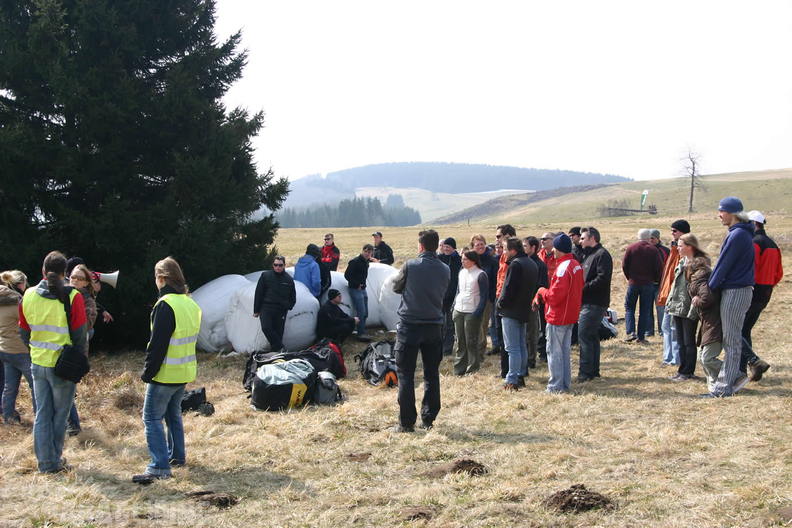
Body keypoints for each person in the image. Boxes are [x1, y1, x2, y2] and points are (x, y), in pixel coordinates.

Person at [133, 257, 201, 483]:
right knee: (173, 415)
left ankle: (159, 466)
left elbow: (157, 344)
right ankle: (176, 457)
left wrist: (147, 372)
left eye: (155, 277)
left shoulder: (165, 305)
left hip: (165, 374)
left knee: (151, 418)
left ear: (161, 278)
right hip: (184, 372)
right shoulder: (191, 303)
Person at [19, 251, 87, 473]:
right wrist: (80, 362)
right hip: (63, 366)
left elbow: (24, 333)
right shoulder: (73, 296)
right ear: (65, 274)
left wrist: (36, 350)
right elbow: (79, 335)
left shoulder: (27, 295)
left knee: (42, 414)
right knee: (60, 416)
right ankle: (54, 461)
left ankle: (45, 462)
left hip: (37, 364)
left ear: (42, 271)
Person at [390, 229, 450, 432]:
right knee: (431, 374)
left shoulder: (410, 265)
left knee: (405, 374)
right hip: (434, 325)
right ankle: (428, 418)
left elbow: (396, 287)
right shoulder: (445, 269)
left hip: (410, 325)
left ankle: (406, 423)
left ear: (421, 246)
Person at [704, 197, 755, 398]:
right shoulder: (739, 233)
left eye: (722, 211)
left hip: (736, 291)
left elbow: (723, 265)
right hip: (736, 289)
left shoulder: (738, 235)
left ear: (732, 213)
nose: (719, 214)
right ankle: (734, 377)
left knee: (732, 340)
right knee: (730, 338)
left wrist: (711, 287)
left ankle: (724, 388)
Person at [533, 234, 583, 394]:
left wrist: (541, 291)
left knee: (554, 351)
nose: (552, 250)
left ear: (559, 249)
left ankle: (555, 386)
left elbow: (555, 296)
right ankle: (564, 383)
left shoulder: (563, 268)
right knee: (564, 351)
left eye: (555, 247)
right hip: (570, 315)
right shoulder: (575, 264)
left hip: (558, 316)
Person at [741, 210, 783, 381]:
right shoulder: (773, 244)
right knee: (745, 330)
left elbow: (750, 269)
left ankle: (752, 363)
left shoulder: (754, 243)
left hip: (752, 290)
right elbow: (779, 273)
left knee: (738, 330)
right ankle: (751, 366)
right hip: (766, 292)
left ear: (753, 224)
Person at [497, 237, 538, 390]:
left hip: (511, 311)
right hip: (523, 310)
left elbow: (509, 289)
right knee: (521, 345)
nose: (504, 252)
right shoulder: (531, 263)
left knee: (512, 348)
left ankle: (512, 379)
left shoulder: (516, 264)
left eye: (506, 249)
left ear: (513, 250)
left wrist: (500, 303)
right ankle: (520, 375)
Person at [65, 264, 98, 436]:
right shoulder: (63, 296)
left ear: (86, 283)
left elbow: (85, 326)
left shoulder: (88, 301)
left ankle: (73, 426)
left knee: (68, 390)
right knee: (66, 390)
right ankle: (70, 425)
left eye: (79, 278)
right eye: (72, 277)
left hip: (75, 351)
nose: (75, 281)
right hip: (63, 349)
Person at [577, 227, 612, 382]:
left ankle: (585, 373)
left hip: (594, 302)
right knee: (591, 336)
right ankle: (593, 371)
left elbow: (603, 278)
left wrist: (583, 288)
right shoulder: (589, 255)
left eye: (583, 238)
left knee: (584, 335)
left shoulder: (602, 255)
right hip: (588, 301)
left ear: (592, 238)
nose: (580, 241)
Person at [0, 270, 35, 424]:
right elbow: (28, 325)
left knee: (9, 387)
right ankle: (41, 417)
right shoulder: (17, 302)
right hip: (20, 350)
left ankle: (8, 418)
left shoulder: (2, 301)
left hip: (4, 349)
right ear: (21, 284)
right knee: (36, 386)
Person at [666, 234, 701, 382]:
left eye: (680, 246)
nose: (678, 248)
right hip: (677, 306)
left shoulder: (698, 265)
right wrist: (669, 302)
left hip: (689, 308)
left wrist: (694, 309)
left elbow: (700, 290)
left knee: (688, 342)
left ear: (690, 246)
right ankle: (682, 370)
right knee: (680, 341)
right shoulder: (682, 262)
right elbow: (675, 286)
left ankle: (688, 371)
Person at [688, 251, 723, 393]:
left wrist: (698, 301)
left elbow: (706, 298)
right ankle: (714, 387)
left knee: (707, 358)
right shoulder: (706, 277)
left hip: (712, 322)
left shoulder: (700, 279)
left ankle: (732, 374)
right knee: (702, 357)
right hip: (709, 322)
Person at [622, 229, 663, 343]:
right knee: (644, 310)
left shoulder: (631, 248)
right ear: (648, 237)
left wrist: (629, 278)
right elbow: (659, 267)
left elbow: (625, 265)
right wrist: (655, 279)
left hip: (633, 283)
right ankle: (641, 336)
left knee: (629, 308)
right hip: (648, 284)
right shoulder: (653, 250)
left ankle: (630, 332)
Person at [657, 220, 689, 366]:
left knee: (673, 328)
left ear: (683, 232)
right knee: (666, 327)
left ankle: (675, 359)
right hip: (669, 294)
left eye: (675, 231)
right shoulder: (674, 249)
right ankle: (669, 357)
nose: (672, 233)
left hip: (677, 295)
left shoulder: (684, 251)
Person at [452, 250, 488, 375]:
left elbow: (484, 296)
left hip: (472, 311)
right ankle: (459, 369)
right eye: (462, 259)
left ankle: (473, 368)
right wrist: (454, 306)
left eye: (465, 259)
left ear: (473, 260)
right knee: (460, 341)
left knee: (471, 341)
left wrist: (478, 312)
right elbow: (458, 290)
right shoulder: (461, 272)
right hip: (459, 309)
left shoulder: (481, 274)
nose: (462, 261)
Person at [253, 256, 296, 352]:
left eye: (280, 265)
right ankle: (281, 347)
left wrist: (288, 306)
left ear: (284, 265)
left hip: (281, 309)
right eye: (275, 265)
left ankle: (276, 354)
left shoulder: (288, 280)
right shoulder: (265, 276)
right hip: (266, 307)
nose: (278, 267)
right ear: (273, 265)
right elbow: (259, 293)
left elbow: (293, 296)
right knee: (266, 327)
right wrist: (256, 310)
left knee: (278, 332)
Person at [470, 235, 498, 361]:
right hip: (471, 298)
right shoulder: (470, 261)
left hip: (486, 299)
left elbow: (495, 280)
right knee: (472, 325)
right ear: (472, 247)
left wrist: (491, 297)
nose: (480, 247)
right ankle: (472, 352)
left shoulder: (492, 261)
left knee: (483, 325)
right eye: (477, 245)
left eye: (482, 244)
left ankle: (480, 353)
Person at [522, 236, 548, 369]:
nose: (523, 248)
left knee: (531, 332)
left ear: (533, 248)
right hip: (521, 303)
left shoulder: (540, 265)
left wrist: (535, 301)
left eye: (525, 246)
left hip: (532, 303)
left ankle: (531, 359)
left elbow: (542, 286)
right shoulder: (522, 262)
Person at [492, 225, 516, 362]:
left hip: (507, 299)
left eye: (498, 236)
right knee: (500, 334)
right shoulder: (503, 256)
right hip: (499, 296)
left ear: (507, 236)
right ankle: (505, 368)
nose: (497, 240)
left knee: (510, 338)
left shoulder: (515, 256)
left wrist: (503, 298)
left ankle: (513, 371)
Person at [344, 244, 374, 341]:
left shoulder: (366, 262)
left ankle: (361, 330)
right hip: (355, 289)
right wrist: (356, 284)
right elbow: (347, 275)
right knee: (361, 311)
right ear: (362, 251)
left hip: (362, 289)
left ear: (371, 253)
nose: (367, 254)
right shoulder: (355, 262)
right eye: (365, 251)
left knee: (365, 312)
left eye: (369, 252)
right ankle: (360, 334)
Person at [438, 238, 461, 356]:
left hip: (453, 297)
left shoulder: (459, 260)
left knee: (450, 324)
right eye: (444, 246)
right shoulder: (440, 258)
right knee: (440, 323)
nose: (446, 248)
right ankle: (439, 346)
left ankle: (447, 349)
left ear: (454, 248)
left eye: (448, 246)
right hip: (441, 296)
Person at [648, 229, 670, 337]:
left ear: (658, 238)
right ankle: (649, 331)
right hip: (647, 284)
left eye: (653, 238)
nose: (651, 240)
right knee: (647, 308)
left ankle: (662, 331)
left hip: (661, 284)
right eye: (649, 238)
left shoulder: (665, 250)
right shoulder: (645, 250)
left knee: (661, 308)